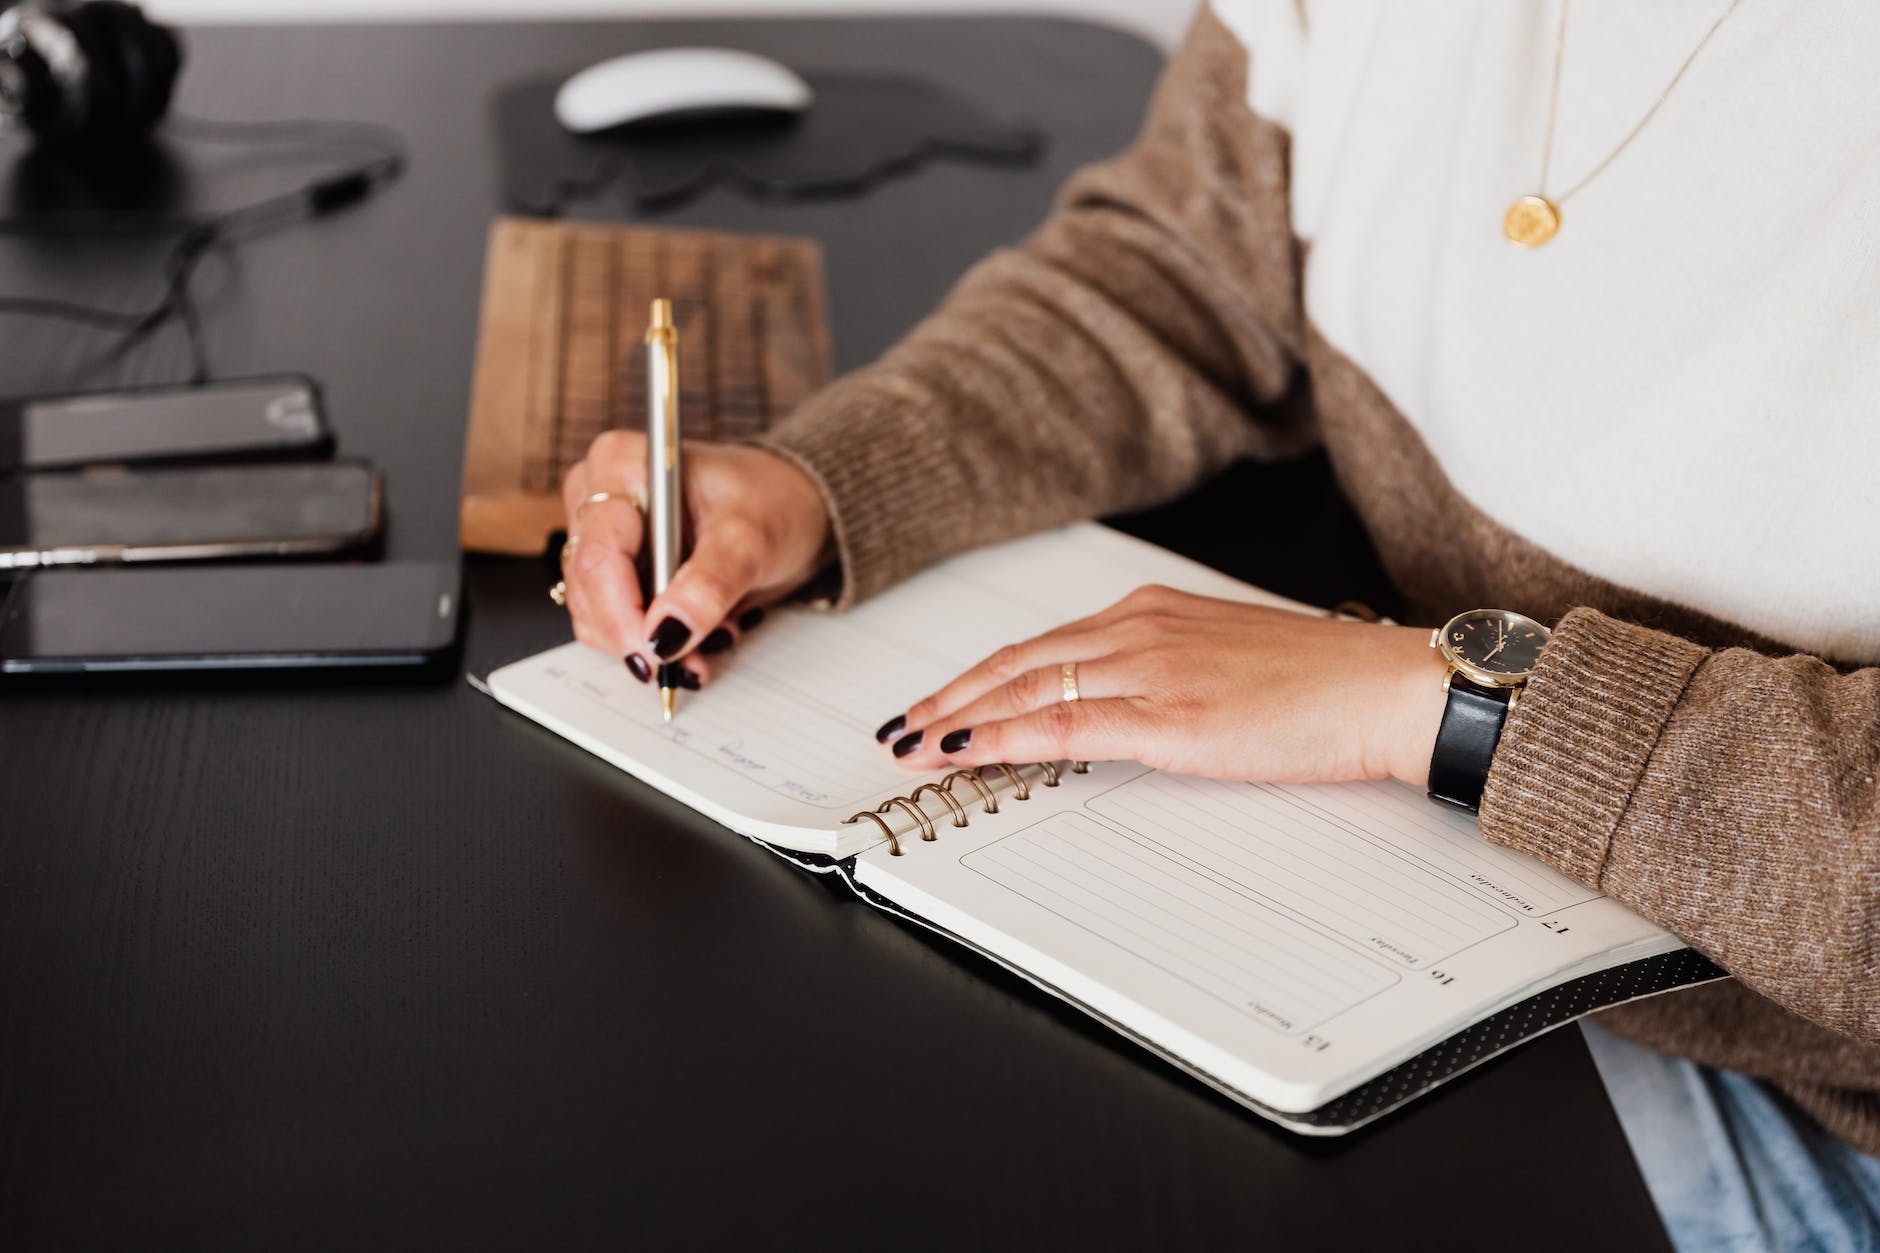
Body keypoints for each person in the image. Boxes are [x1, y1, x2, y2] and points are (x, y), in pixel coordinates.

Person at [554, 3, 1880, 1246]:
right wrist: (823, 481)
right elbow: (1184, 269)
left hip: (1803, 1094)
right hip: (1449, 899)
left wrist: (1451, 704)